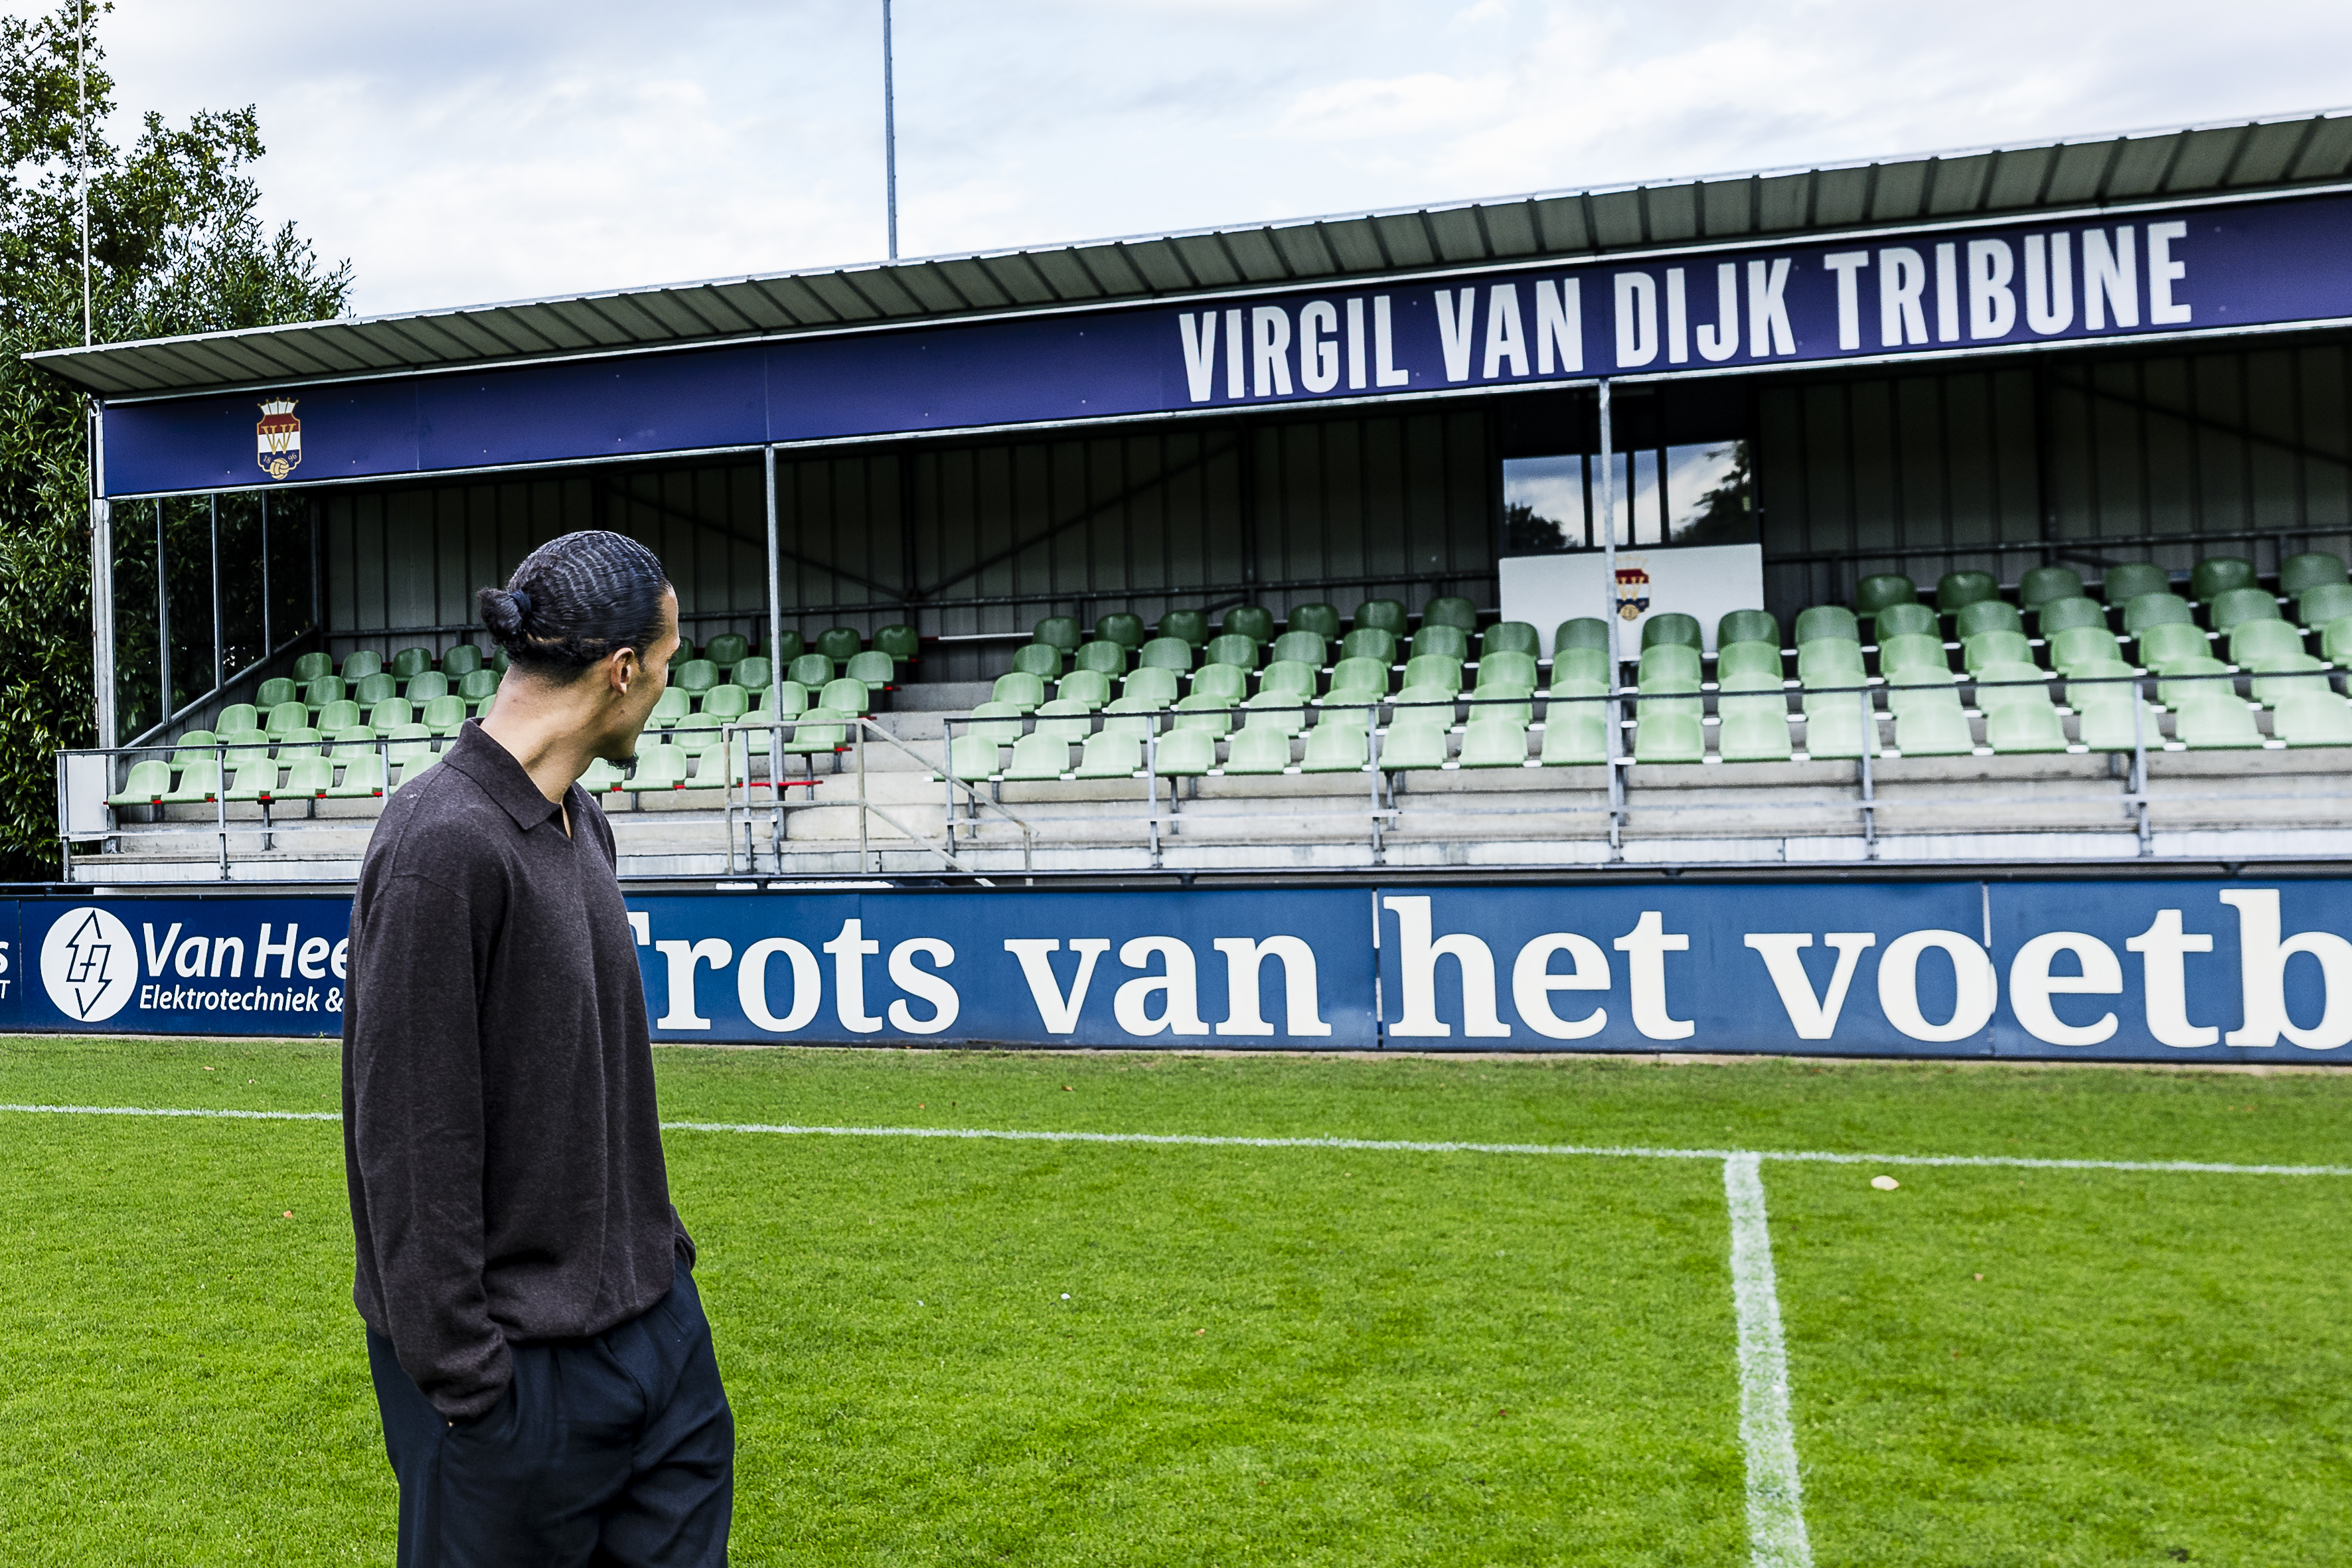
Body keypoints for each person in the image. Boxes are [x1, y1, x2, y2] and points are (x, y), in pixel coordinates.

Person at [343, 529, 733, 1566]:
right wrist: (471, 1383)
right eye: (667, 662)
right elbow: (408, 1145)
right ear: (620, 672)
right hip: (510, 1388)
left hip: (657, 1349)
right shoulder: (439, 843)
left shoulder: (581, 821)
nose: (665, 685)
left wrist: (667, 1290)